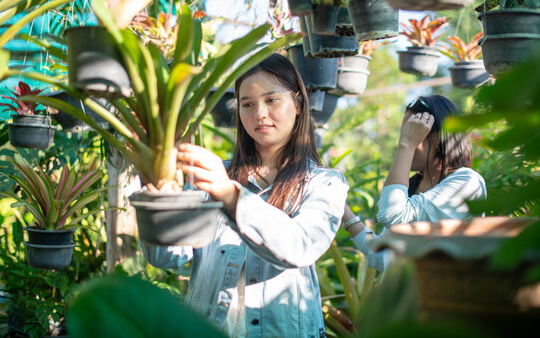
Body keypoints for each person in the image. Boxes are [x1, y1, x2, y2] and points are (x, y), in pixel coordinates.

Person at [141, 53, 349, 337]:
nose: (260, 114)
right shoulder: (210, 175)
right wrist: (159, 199)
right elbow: (169, 258)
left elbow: (299, 246)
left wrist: (229, 195)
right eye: (247, 104)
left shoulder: (325, 183)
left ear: (299, 104)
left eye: (272, 100)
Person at [342, 95, 487, 271]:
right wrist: (344, 211)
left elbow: (392, 215)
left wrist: (406, 145)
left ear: (436, 138)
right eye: (404, 135)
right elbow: (382, 257)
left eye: (411, 133)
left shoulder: (467, 183)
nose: (403, 141)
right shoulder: (412, 187)